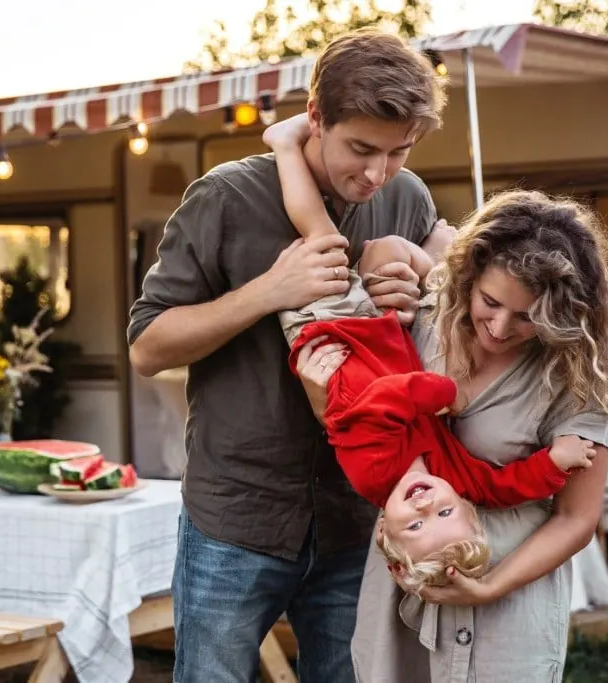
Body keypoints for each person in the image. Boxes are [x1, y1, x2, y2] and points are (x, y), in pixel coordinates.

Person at [127, 29, 449, 683]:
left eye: (398, 152)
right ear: (315, 117)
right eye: (360, 148)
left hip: (357, 517)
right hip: (236, 515)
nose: (377, 173)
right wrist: (268, 291)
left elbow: (437, 336)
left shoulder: (407, 197)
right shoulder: (225, 197)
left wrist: (416, 292)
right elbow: (147, 345)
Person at [296, 189, 608, 681]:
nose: (499, 328)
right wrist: (320, 395)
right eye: (490, 302)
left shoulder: (577, 372)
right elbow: (364, 439)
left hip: (510, 601)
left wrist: (490, 587)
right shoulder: (425, 319)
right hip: (404, 589)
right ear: (469, 277)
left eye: (527, 317)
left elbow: (577, 518)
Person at [264, 117, 598, 595]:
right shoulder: (454, 479)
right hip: (379, 338)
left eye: (415, 526)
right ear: (464, 506)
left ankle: (284, 147)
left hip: (331, 338)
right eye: (445, 514)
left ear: (384, 529)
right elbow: (501, 488)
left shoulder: (373, 474)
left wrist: (443, 393)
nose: (426, 507)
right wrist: (555, 462)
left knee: (322, 237)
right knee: (345, 245)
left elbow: (380, 403)